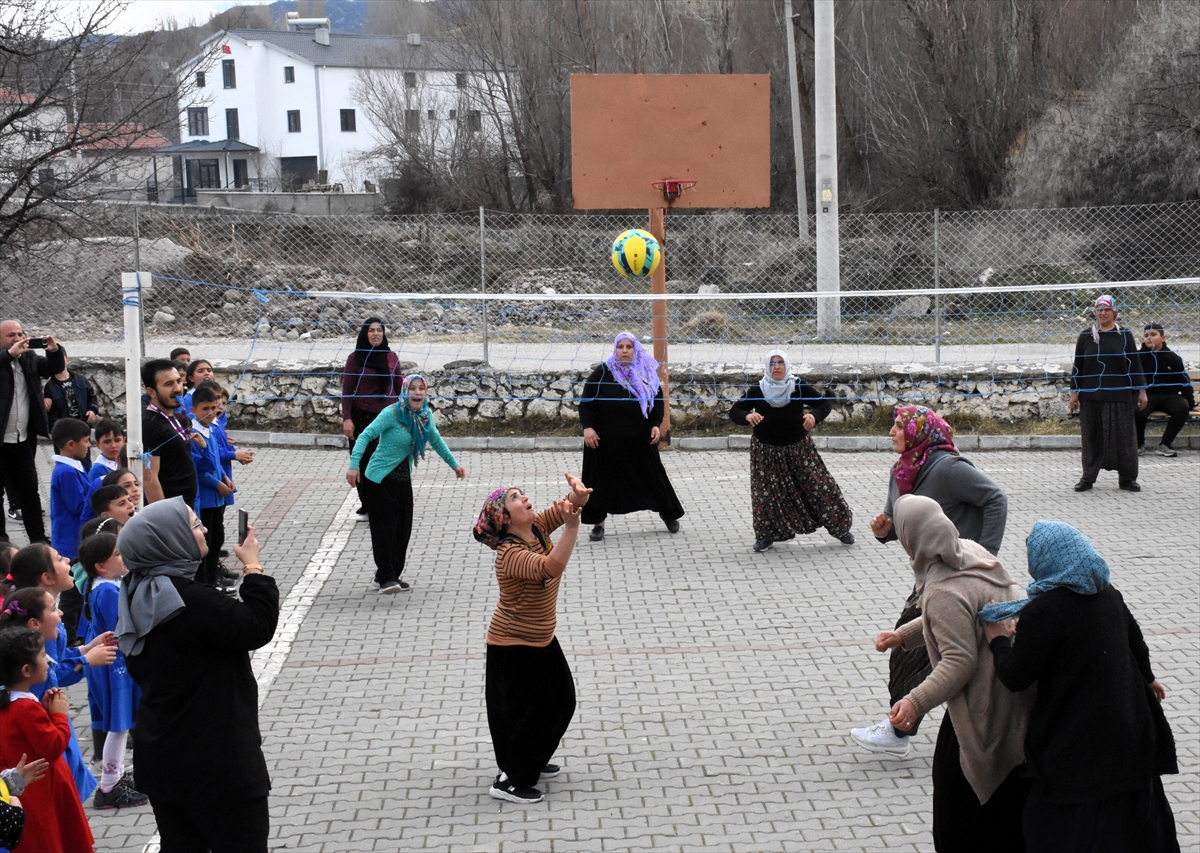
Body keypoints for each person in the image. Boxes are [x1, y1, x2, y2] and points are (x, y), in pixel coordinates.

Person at [980, 521, 1180, 853]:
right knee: (1130, 825)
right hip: (1130, 733)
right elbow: (1135, 640)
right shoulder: (1107, 594)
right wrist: (1148, 677)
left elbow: (1016, 677)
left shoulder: (1045, 611)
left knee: (1058, 829)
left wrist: (999, 641)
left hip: (1078, 744)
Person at [119, 498, 279, 852]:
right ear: (168, 539)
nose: (204, 528)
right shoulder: (188, 600)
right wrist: (253, 568)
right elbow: (256, 627)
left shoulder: (137, 592)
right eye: (194, 524)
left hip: (163, 758)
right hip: (217, 763)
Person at [874, 495, 1032, 852]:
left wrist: (914, 703)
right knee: (1010, 812)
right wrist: (904, 636)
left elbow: (959, 661)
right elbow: (963, 616)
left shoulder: (942, 589)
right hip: (1015, 695)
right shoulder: (971, 553)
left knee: (960, 813)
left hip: (981, 708)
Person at [851, 405, 1008, 758]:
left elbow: (995, 499)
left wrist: (983, 555)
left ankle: (898, 729)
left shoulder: (948, 468)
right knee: (915, 652)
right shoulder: (902, 470)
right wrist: (884, 531)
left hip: (958, 576)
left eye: (897, 426)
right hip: (929, 575)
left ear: (918, 431)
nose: (891, 433)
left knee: (917, 654)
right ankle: (905, 726)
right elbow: (902, 522)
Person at [472, 473, 591, 804]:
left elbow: (564, 509)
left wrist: (578, 497)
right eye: (514, 497)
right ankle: (512, 779)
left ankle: (529, 760)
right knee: (540, 709)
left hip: (540, 638)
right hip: (513, 645)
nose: (524, 497)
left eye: (521, 493)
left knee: (560, 701)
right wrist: (571, 528)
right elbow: (549, 568)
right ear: (505, 519)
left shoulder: (535, 527)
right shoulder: (509, 554)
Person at [347, 375, 465, 593]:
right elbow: (364, 436)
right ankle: (387, 578)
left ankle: (387, 575)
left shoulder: (425, 416)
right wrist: (354, 464)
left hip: (402, 480)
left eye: (421, 389)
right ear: (404, 391)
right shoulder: (392, 413)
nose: (417, 393)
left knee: (403, 531)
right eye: (412, 388)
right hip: (379, 479)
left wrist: (454, 465)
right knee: (386, 530)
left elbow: (436, 441)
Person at [728, 350, 854, 551]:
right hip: (766, 451)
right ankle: (765, 536)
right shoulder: (757, 390)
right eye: (772, 363)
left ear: (786, 365)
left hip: (798, 448)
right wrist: (746, 417)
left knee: (820, 487)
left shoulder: (798, 387)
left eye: (780, 363)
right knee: (765, 495)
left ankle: (840, 528)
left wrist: (814, 416)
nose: (776, 367)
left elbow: (824, 404)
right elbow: (734, 411)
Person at [578, 332, 684, 541]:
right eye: (620, 347)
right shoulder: (602, 373)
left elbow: (656, 402)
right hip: (604, 440)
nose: (624, 351)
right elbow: (587, 402)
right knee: (599, 481)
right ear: (615, 349)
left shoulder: (646, 372)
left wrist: (655, 425)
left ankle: (668, 514)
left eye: (629, 347)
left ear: (635, 349)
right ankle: (598, 524)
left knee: (654, 477)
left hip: (639, 437)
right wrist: (588, 428)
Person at [0, 628, 94, 852]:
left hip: (23, 791)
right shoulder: (25, 708)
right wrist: (59, 715)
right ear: (26, 670)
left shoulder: (11, 701)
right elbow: (53, 746)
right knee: (53, 842)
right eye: (43, 655)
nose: (48, 660)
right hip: (41, 792)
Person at [78, 532, 149, 809]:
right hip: (114, 665)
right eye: (117, 555)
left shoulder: (106, 584)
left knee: (121, 724)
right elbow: (122, 627)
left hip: (112, 663)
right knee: (119, 726)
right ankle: (109, 786)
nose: (124, 558)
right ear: (101, 566)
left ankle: (117, 775)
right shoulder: (107, 590)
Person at [1069, 294, 1147, 492]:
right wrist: (1074, 392)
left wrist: (1141, 390)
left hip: (1119, 395)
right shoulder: (1086, 336)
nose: (1102, 313)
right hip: (1091, 394)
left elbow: (1135, 365)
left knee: (1125, 438)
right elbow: (1078, 365)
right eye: (1099, 309)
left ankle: (1127, 478)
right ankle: (1088, 478)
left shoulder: (1124, 335)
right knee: (1091, 437)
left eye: (1107, 309)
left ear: (1115, 312)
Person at [0, 320, 63, 546]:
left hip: (22, 438)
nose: (18, 339)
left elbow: (53, 368)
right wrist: (8, 355)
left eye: (20, 334)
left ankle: (37, 538)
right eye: (11, 335)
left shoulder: (29, 359)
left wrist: (55, 351)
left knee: (29, 490)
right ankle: (2, 543)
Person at [342, 318, 405, 523]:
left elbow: (399, 388)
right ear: (364, 334)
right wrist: (347, 419)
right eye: (372, 330)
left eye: (380, 330)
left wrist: (405, 417)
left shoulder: (391, 357)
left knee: (389, 462)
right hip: (362, 418)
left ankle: (389, 504)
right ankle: (368, 506)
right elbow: (347, 391)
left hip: (388, 418)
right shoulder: (355, 359)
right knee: (363, 461)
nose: (376, 334)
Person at [190, 381, 235, 590]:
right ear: (194, 410)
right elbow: (200, 470)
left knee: (218, 537)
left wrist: (225, 478)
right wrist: (217, 484)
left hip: (217, 495)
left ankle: (213, 576)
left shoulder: (211, 428)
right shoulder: (195, 434)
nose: (210, 413)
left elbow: (216, 462)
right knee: (206, 542)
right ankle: (206, 582)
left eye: (213, 408)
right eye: (205, 409)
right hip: (206, 497)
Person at [140, 359, 197, 507]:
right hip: (171, 509)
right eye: (168, 384)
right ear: (151, 392)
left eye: (178, 381)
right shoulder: (149, 425)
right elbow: (150, 479)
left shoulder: (178, 418)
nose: (178, 388)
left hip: (188, 504)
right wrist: (164, 519)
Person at [1136, 322, 1195, 458]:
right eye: (1146, 335)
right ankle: (1139, 444)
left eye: (1153, 334)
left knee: (1182, 408)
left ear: (1163, 337)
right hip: (1147, 394)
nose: (1149, 338)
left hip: (1169, 395)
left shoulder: (1172, 358)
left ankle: (1165, 444)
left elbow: (1183, 382)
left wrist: (1192, 404)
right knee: (1137, 410)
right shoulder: (1137, 357)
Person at [48, 418, 93, 563]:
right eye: (86, 441)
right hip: (69, 539)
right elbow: (78, 505)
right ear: (71, 444)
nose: (89, 445)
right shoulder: (67, 472)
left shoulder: (72, 467)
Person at [42, 349, 100, 436]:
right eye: (54, 360)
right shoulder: (50, 386)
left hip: (83, 428)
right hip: (64, 433)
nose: (57, 362)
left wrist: (92, 410)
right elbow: (51, 414)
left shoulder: (81, 379)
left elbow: (92, 397)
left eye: (60, 359)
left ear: (68, 360)